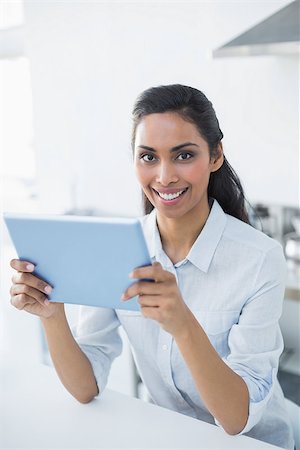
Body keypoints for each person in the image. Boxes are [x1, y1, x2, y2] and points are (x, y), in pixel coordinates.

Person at [10, 84, 294, 449]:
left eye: (183, 155)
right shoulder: (118, 249)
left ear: (216, 156)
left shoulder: (259, 259)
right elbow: (85, 387)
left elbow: (236, 419)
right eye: (148, 157)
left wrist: (184, 326)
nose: (164, 177)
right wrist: (52, 315)